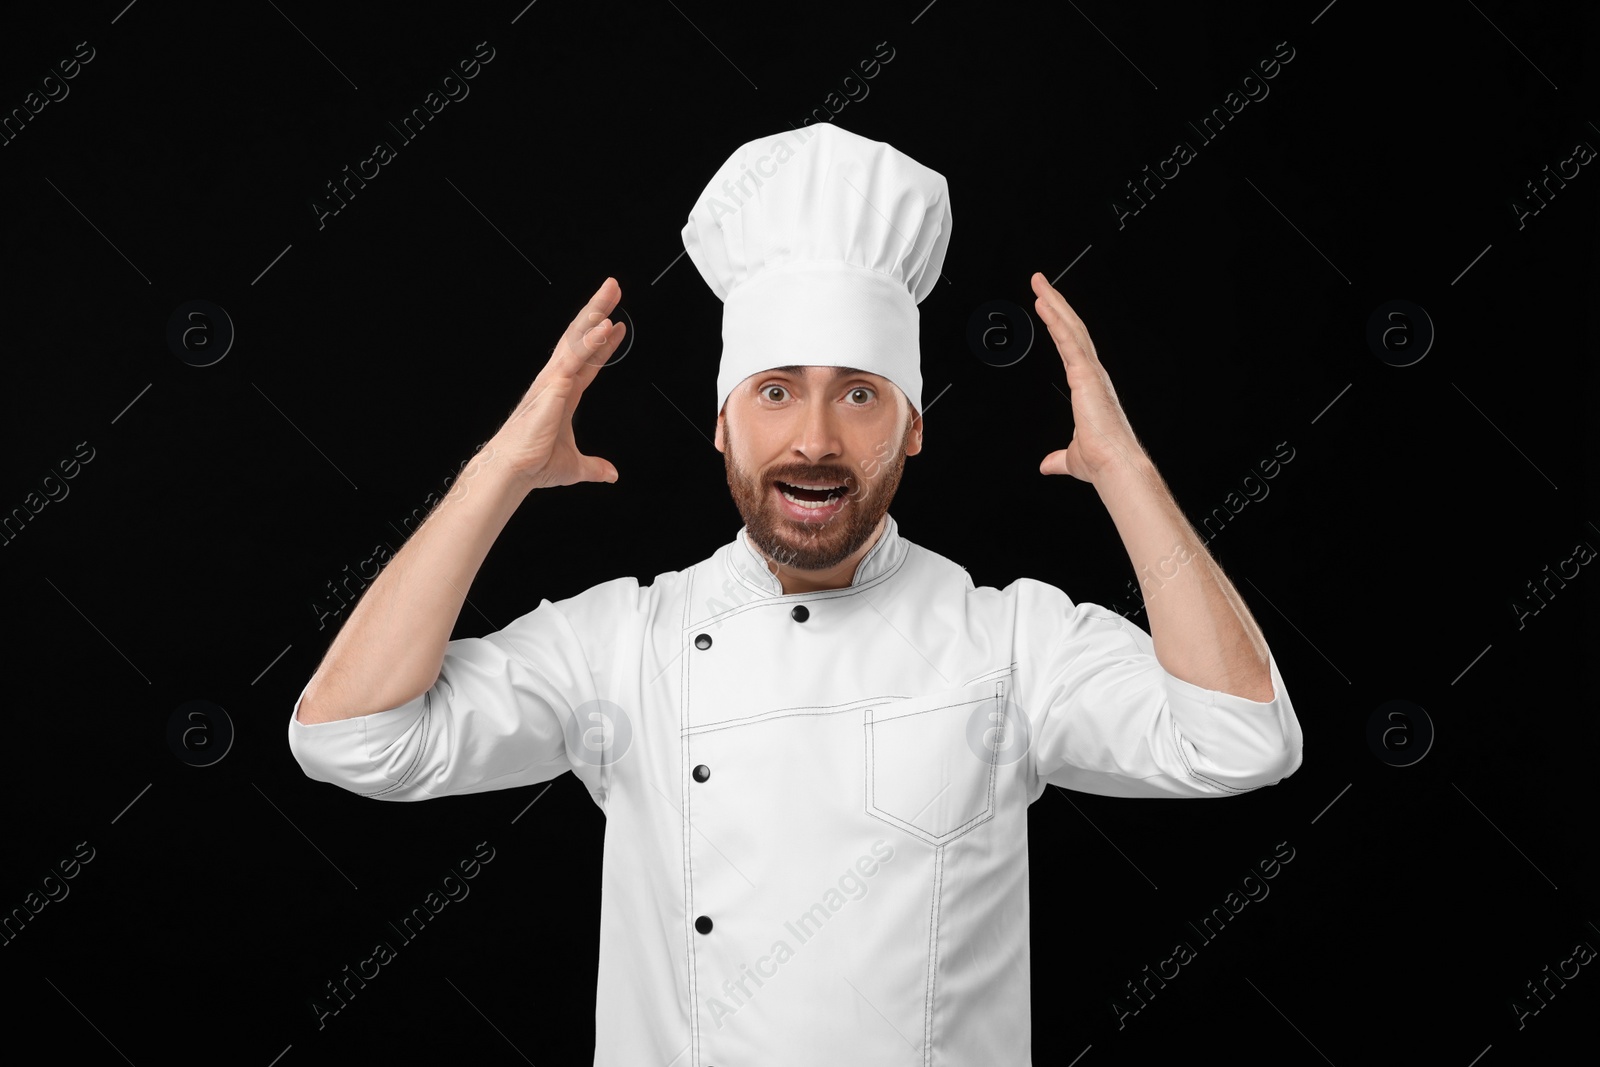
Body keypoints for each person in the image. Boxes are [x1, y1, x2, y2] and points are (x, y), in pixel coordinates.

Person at [288, 123, 1303, 1066]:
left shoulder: (1007, 642)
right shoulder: (626, 643)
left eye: (859, 393)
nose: (814, 438)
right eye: (774, 390)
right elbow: (349, 736)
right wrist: (501, 466)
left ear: (911, 426)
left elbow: (1242, 739)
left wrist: (1124, 467)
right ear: (722, 422)